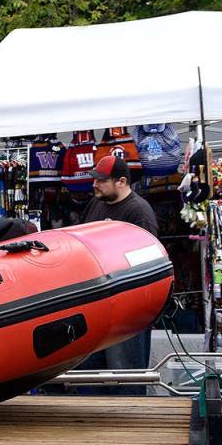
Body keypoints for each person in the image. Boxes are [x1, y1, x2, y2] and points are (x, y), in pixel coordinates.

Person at [76, 155, 160, 394]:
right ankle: (90, 426)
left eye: (102, 180)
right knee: (89, 374)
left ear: (122, 181)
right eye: (95, 179)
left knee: (125, 374)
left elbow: (148, 263)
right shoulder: (96, 203)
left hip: (129, 306)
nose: (95, 184)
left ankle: (132, 425)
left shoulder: (139, 212)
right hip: (97, 303)